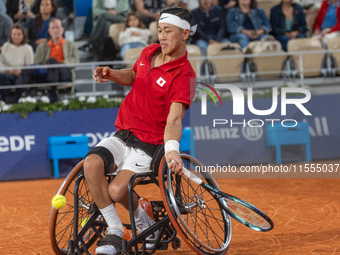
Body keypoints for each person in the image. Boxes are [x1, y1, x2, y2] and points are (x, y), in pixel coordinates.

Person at [84, 6, 196, 255]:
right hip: (124, 133)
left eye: (168, 31)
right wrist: (112, 74)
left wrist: (172, 149)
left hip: (150, 144)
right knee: (91, 164)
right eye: (159, 30)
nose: (162, 36)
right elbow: (134, 75)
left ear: (185, 33)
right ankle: (114, 229)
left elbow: (175, 119)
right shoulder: (148, 52)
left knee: (116, 189)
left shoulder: (185, 75)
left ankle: (148, 223)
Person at [16, 18, 79, 102]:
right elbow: (38, 63)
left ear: (62, 29)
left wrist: (60, 63)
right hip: (48, 74)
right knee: (29, 68)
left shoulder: (71, 45)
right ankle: (17, 94)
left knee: (51, 61)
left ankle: (53, 92)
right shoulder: (42, 47)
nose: (55, 30)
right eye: (53, 28)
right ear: (49, 31)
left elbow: (75, 61)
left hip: (64, 73)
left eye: (58, 27)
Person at [0, 23, 33, 103]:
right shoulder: (6, 46)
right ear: (11, 35)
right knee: (4, 77)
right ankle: (5, 101)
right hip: (7, 72)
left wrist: (18, 71)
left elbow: (30, 67)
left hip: (20, 76)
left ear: (23, 35)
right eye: (14, 34)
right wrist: (10, 70)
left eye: (18, 34)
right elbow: (1, 62)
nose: (16, 37)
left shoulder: (27, 48)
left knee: (4, 78)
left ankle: (7, 101)